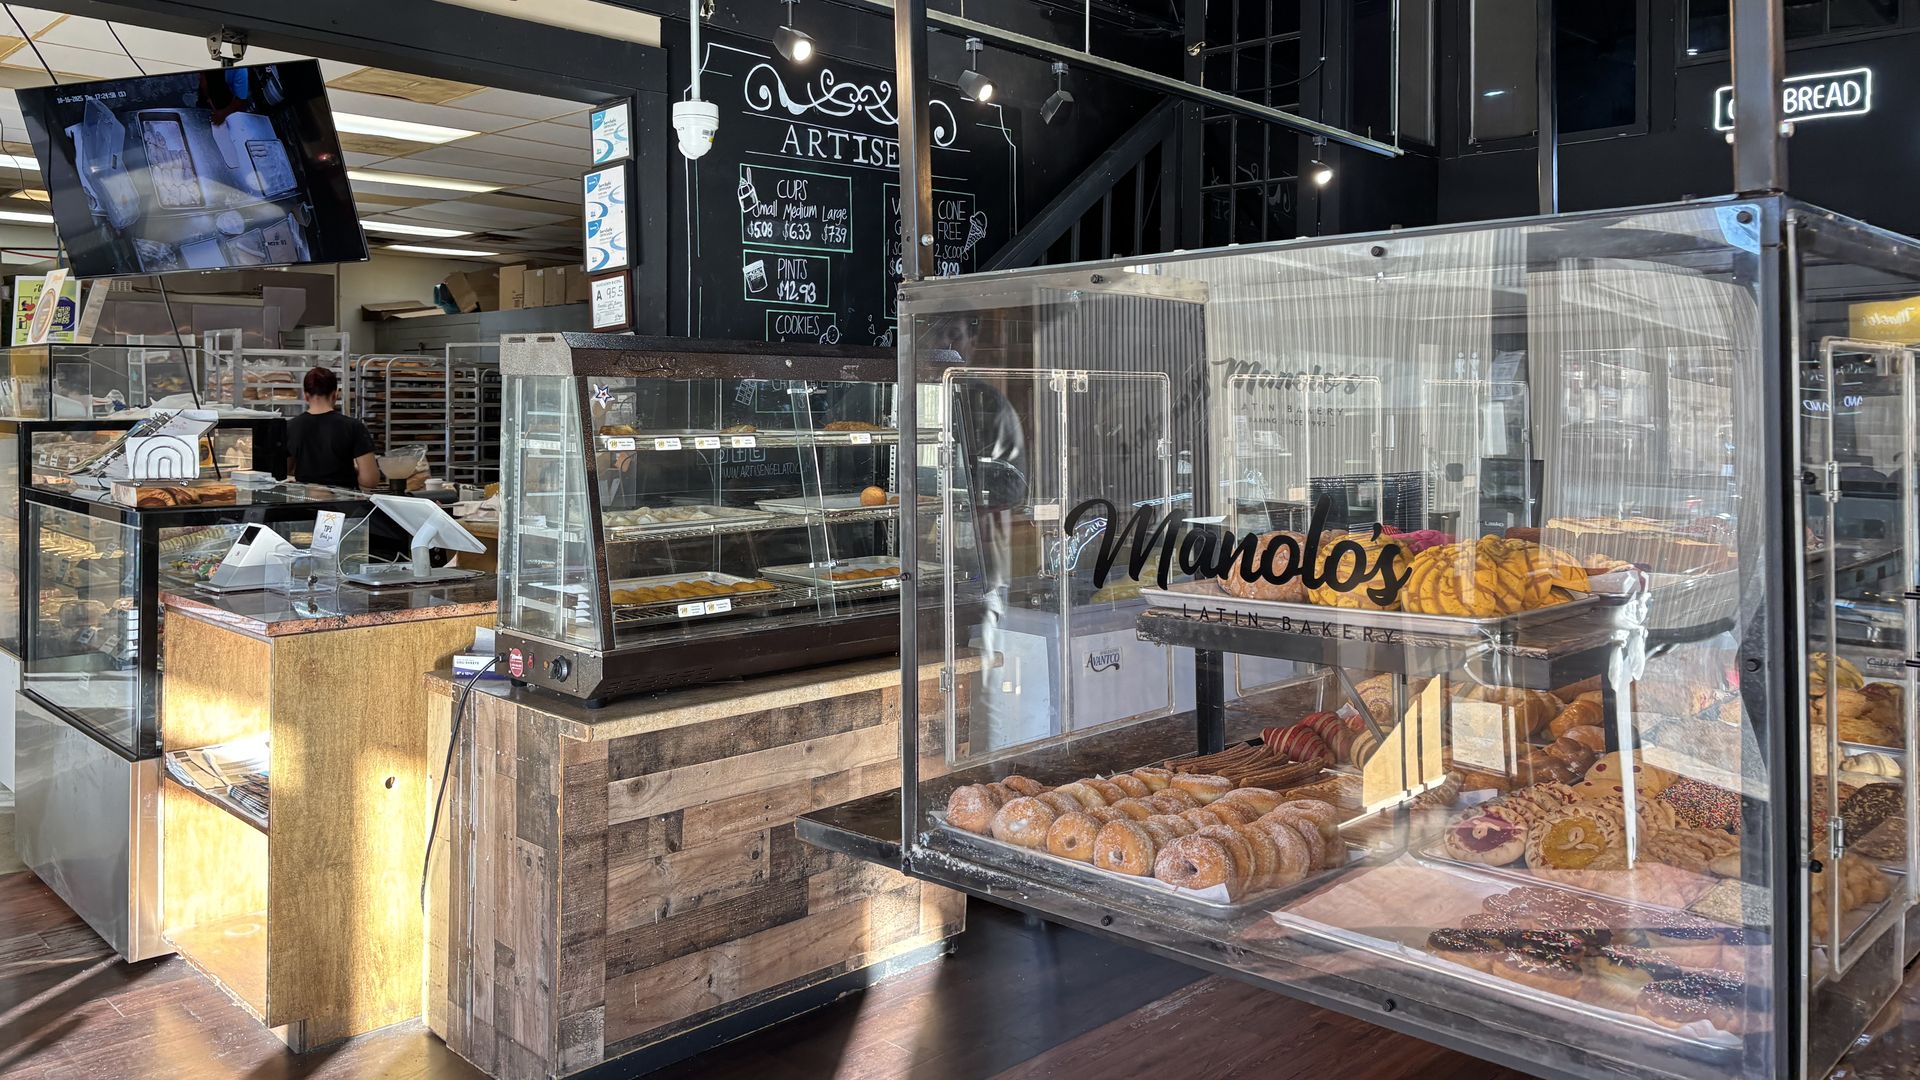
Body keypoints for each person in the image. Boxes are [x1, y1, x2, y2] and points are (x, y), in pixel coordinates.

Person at [287, 366, 378, 489]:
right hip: (343, 505)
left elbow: (284, 471)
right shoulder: (353, 427)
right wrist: (352, 470)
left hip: (305, 504)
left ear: (306, 395)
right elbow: (369, 480)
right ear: (335, 394)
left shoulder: (290, 427)